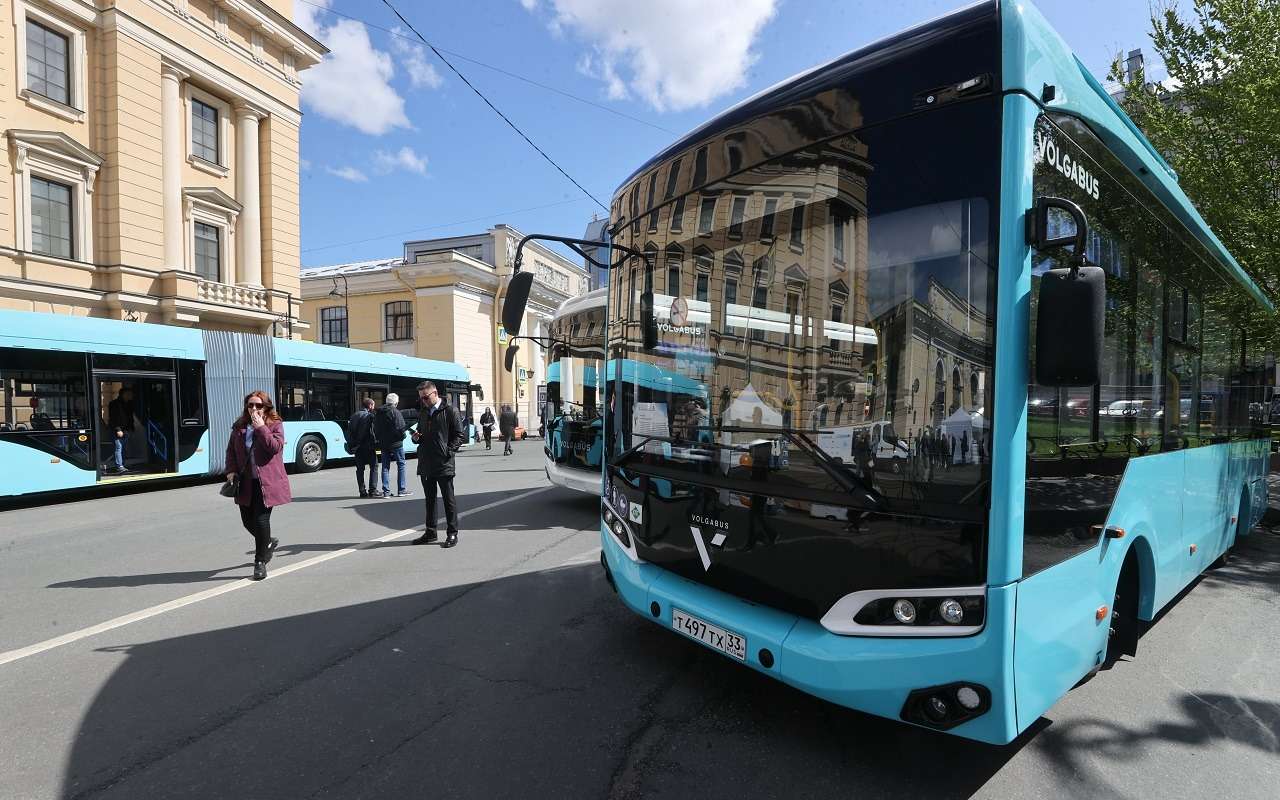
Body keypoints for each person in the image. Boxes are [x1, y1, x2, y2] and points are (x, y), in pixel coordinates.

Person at [224, 391, 291, 581]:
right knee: (247, 521)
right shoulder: (239, 426)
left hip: (266, 482)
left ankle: (259, 561)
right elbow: (231, 450)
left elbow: (275, 447)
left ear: (266, 407)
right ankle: (267, 541)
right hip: (245, 482)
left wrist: (261, 427)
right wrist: (230, 470)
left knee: (261, 521)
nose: (254, 409)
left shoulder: (275, 424)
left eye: (258, 405)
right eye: (250, 405)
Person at [411, 381, 466, 548]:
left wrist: (448, 452)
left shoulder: (450, 411)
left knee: (448, 499)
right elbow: (421, 432)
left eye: (426, 397)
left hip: (443, 463)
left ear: (435, 393)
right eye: (421, 398)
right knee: (430, 500)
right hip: (426, 462)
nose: (424, 401)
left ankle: (452, 533)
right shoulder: (424, 412)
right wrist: (416, 438)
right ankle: (430, 532)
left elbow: (459, 435)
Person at [374, 393, 409, 497]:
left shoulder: (379, 412)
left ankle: (386, 492)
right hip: (396, 444)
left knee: (385, 467)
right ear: (396, 402)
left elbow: (375, 428)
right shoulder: (396, 412)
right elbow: (401, 429)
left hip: (384, 444)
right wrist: (402, 437)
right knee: (401, 464)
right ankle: (401, 490)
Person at [346, 398, 379, 497]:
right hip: (368, 446)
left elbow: (350, 432)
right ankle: (373, 490)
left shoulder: (354, 415)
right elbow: (371, 432)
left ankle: (362, 491)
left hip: (357, 447)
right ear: (369, 406)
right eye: (373, 405)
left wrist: (354, 444)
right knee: (374, 466)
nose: (373, 407)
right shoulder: (369, 416)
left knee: (360, 469)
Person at [106, 387, 135, 473]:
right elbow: (113, 418)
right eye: (129, 394)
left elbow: (130, 417)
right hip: (117, 430)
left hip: (126, 430)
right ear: (123, 394)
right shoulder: (114, 404)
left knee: (123, 447)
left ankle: (122, 464)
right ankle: (119, 466)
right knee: (118, 447)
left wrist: (131, 428)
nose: (131, 395)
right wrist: (118, 429)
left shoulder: (129, 404)